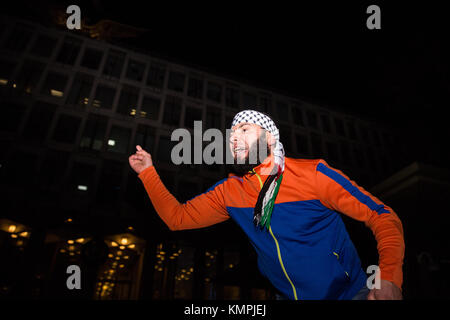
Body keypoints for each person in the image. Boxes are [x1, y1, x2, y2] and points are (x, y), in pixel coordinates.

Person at [129, 109, 404, 300]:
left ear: (270, 138)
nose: (234, 137)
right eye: (231, 133)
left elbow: (382, 215)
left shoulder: (314, 175)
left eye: (244, 129)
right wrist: (148, 173)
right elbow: (177, 218)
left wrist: (389, 278)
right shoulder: (230, 191)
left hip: (349, 294)